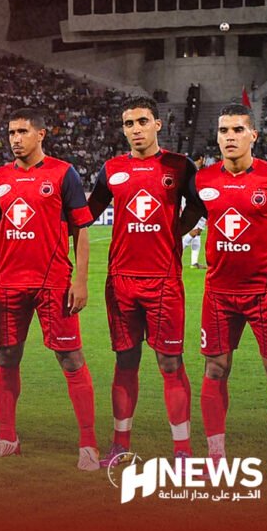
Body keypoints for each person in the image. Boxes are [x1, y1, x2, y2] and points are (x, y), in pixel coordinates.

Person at [194, 103, 267, 487]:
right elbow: (183, 222)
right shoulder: (203, 180)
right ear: (217, 136)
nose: (229, 136)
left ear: (253, 135)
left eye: (237, 130)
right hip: (218, 292)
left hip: (266, 291)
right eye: (223, 130)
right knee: (215, 370)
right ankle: (216, 458)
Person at [87, 96, 203, 465]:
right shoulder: (111, 169)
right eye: (128, 123)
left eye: (142, 121)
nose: (135, 129)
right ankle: (120, 443)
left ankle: (182, 452)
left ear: (157, 124)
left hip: (164, 281)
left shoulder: (179, 166)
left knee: (171, 363)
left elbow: (200, 205)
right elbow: (87, 213)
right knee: (125, 362)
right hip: (121, 282)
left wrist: (177, 234)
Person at [0, 108, 98, 470]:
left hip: (54, 283)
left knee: (71, 358)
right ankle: (7, 437)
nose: (15, 139)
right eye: (10, 132)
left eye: (21, 132)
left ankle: (89, 444)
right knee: (5, 357)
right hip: (10, 284)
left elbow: (80, 230)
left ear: (40, 134)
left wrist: (80, 280)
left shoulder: (63, 173)